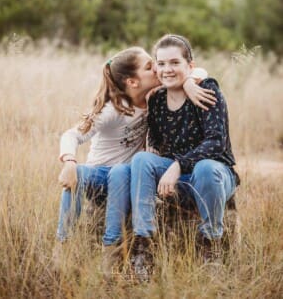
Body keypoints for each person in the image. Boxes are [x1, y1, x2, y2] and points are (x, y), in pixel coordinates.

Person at [55, 46, 215, 271]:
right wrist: (69, 161)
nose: (159, 70)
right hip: (99, 177)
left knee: (123, 170)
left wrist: (189, 82)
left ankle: (111, 249)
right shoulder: (113, 110)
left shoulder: (154, 99)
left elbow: (201, 72)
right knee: (92, 173)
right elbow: (72, 134)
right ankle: (62, 244)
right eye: (151, 67)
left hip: (125, 180)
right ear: (132, 82)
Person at [127, 34, 240, 276]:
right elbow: (156, 141)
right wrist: (159, 165)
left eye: (175, 63)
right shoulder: (157, 100)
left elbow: (216, 142)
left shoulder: (206, 89)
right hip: (179, 180)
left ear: (190, 66)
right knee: (142, 160)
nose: (167, 69)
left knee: (206, 168)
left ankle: (211, 247)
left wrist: (178, 165)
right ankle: (143, 245)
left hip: (215, 175)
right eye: (161, 63)